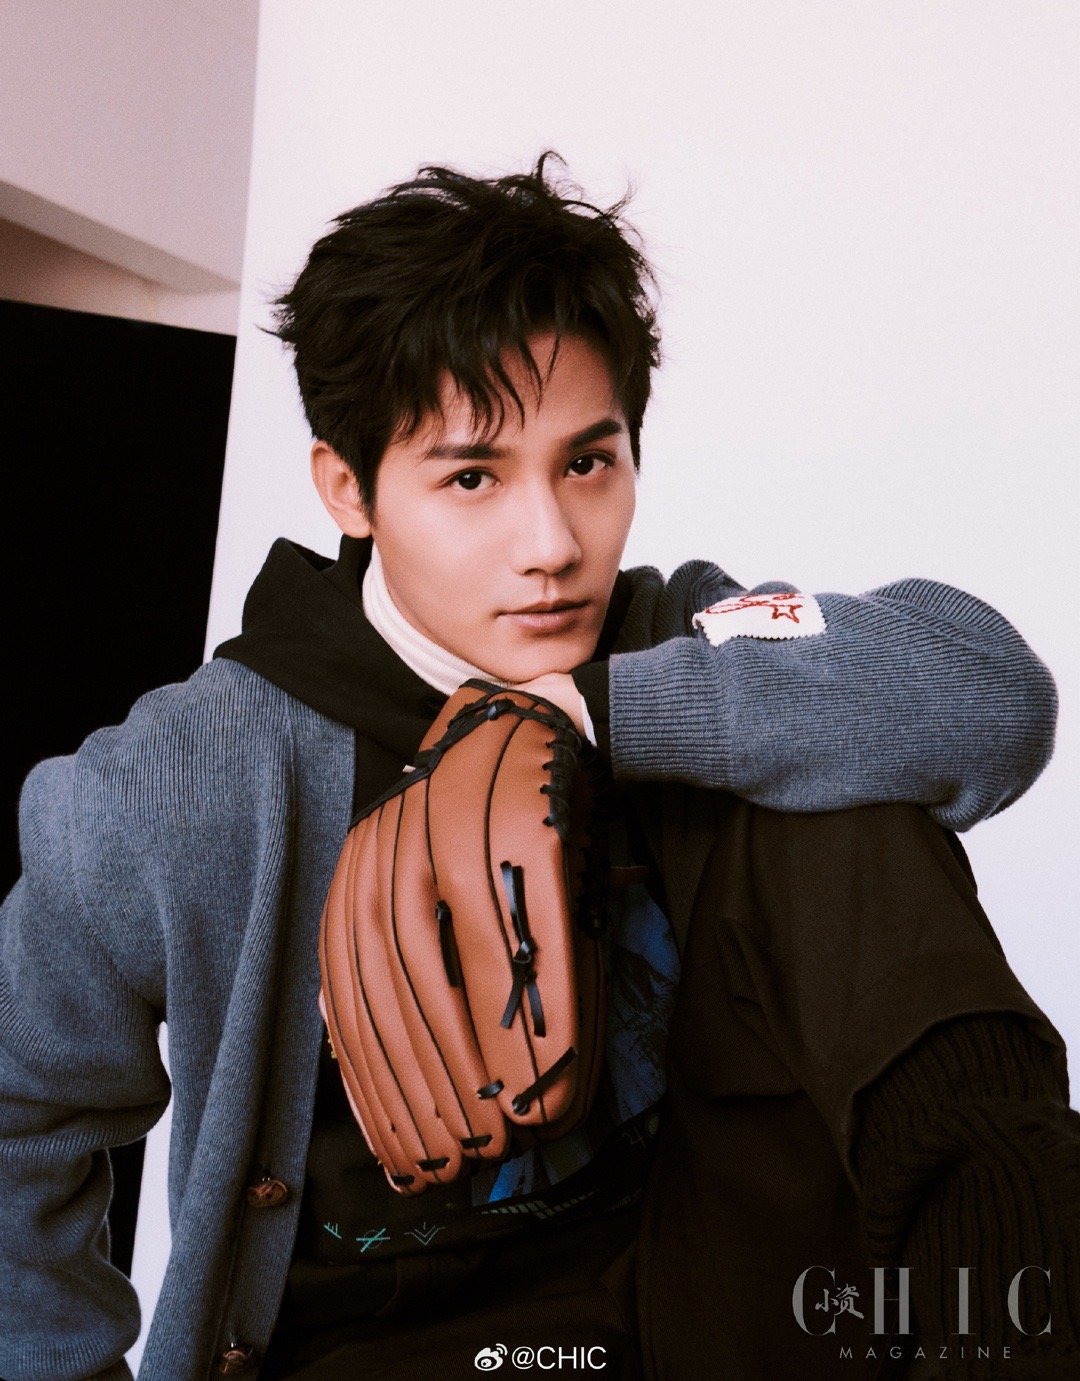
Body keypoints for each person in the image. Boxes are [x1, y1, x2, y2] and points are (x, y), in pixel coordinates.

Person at [0, 154, 1074, 1381]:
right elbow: (16, 1119)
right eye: (473, 477)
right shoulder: (180, 782)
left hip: (701, 1311)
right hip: (376, 1346)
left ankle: (1017, 1307)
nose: (553, 545)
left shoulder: (675, 641)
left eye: (586, 463)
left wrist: (601, 708)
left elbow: (994, 693)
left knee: (827, 758)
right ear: (348, 489)